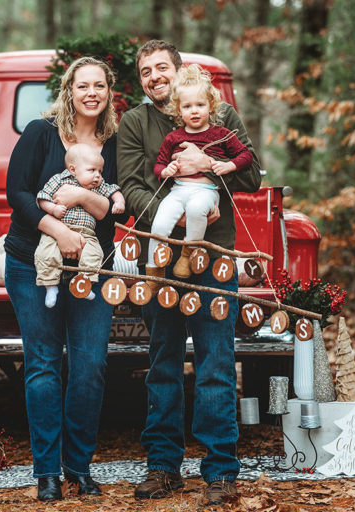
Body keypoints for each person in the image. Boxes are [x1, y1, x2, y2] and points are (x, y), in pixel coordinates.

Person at [117, 40, 262, 505]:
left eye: (163, 68)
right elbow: (132, 184)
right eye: (146, 71)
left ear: (181, 72)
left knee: (216, 362)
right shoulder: (137, 122)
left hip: (214, 256)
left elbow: (252, 175)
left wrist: (207, 167)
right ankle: (163, 466)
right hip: (159, 258)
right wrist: (177, 215)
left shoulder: (220, 116)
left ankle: (221, 470)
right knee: (161, 364)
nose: (155, 76)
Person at [4, 56, 120, 501]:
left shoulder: (113, 143)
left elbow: (111, 212)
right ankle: (47, 471)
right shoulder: (40, 133)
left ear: (109, 93)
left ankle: (79, 467)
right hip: (32, 263)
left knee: (90, 367)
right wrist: (58, 229)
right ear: (69, 90)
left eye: (100, 86)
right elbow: (17, 191)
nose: (91, 93)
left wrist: (80, 198)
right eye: (82, 86)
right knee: (43, 367)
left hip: (92, 267)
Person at [147, 64, 254, 288]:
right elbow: (159, 164)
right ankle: (153, 268)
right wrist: (165, 172)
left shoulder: (221, 134)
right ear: (178, 110)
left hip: (206, 192)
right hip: (178, 190)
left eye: (200, 105)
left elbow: (246, 155)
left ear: (211, 106)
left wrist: (229, 166)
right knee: (160, 222)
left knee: (197, 211)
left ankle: (188, 254)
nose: (194, 111)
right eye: (187, 106)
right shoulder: (173, 138)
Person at [35, 143, 125, 307]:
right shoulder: (59, 180)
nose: (97, 175)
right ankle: (50, 286)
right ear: (73, 169)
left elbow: (113, 190)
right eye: (92, 170)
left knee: (94, 254)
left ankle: (85, 283)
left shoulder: (98, 185)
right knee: (46, 253)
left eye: (100, 171)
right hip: (55, 231)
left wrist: (119, 202)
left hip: (87, 233)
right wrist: (53, 209)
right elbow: (42, 198)